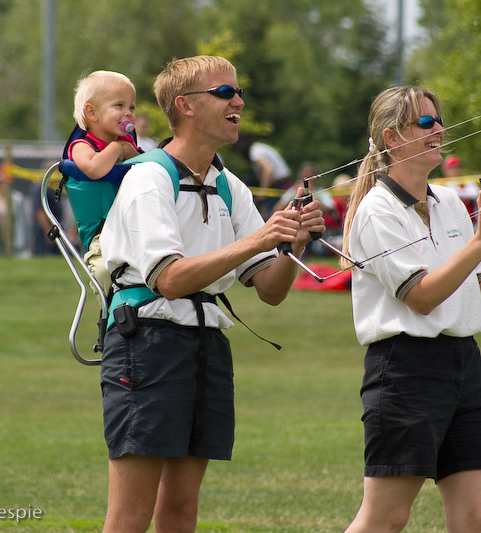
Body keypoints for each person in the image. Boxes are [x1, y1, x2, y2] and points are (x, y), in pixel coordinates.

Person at [98, 55, 324, 533]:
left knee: (181, 509)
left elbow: (269, 290)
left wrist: (292, 244)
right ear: (186, 106)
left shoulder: (229, 185)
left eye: (238, 92)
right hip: (148, 343)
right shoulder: (147, 177)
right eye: (225, 93)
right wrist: (261, 238)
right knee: (131, 513)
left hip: (206, 344)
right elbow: (170, 279)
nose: (238, 101)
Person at [340, 86, 481, 533]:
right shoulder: (376, 211)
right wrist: (480, 242)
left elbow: (475, 296)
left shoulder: (450, 202)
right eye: (426, 122)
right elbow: (422, 297)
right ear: (393, 137)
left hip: (464, 364)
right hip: (404, 370)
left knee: (476, 516)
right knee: (385, 518)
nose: (439, 130)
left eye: (439, 120)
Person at [68, 70, 141, 292]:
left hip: (135, 229)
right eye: (119, 106)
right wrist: (117, 148)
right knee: (103, 271)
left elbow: (150, 171)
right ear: (91, 112)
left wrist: (130, 150)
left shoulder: (129, 145)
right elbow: (94, 169)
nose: (128, 113)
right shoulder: (82, 146)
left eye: (132, 107)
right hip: (101, 237)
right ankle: (112, 311)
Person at [231, 132, 292, 218]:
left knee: (271, 213)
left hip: (280, 184)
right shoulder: (258, 148)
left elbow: (268, 170)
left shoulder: (255, 151)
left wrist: (263, 191)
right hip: (281, 182)